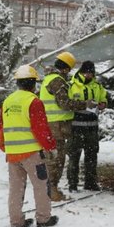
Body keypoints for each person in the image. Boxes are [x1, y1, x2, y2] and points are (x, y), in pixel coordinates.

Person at [0, 65, 59, 227]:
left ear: (18, 83)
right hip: (32, 154)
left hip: (12, 155)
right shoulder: (34, 101)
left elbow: (1, 128)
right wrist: (51, 146)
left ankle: (16, 222)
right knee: (41, 185)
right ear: (33, 84)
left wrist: (5, 147)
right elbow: (41, 128)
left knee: (16, 188)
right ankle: (44, 218)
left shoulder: (7, 101)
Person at [39, 51, 92, 201]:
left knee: (52, 157)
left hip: (52, 124)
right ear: (66, 69)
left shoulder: (48, 78)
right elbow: (64, 103)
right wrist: (84, 104)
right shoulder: (57, 81)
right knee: (57, 159)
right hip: (57, 126)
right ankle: (52, 190)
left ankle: (50, 189)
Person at [67, 60, 108, 191]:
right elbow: (67, 104)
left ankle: (90, 183)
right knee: (74, 156)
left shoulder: (97, 86)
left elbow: (104, 98)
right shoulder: (72, 85)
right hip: (76, 127)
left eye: (91, 73)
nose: (89, 76)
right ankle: (72, 184)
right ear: (81, 72)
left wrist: (103, 104)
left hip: (92, 127)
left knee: (91, 156)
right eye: (86, 73)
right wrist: (83, 104)